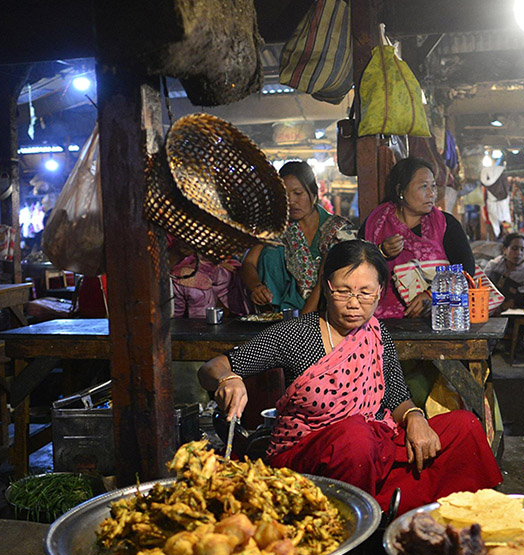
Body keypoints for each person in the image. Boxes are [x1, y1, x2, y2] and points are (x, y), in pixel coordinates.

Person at [198, 240, 503, 513]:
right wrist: (227, 379)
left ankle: (407, 508)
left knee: (464, 426)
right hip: (312, 456)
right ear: (326, 286)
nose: (354, 302)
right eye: (343, 291)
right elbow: (212, 368)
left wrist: (415, 418)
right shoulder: (296, 334)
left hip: (373, 444)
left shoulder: (376, 331)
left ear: (380, 292)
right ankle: (364, 517)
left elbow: (395, 395)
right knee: (355, 437)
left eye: (365, 292)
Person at [363, 157, 475, 319]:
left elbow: (466, 271)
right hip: (384, 323)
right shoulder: (376, 224)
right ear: (401, 190)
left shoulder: (446, 225)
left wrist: (432, 295)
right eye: (424, 187)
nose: (432, 194)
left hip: (438, 320)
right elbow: (356, 267)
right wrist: (381, 252)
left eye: (433, 187)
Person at [240, 161, 358, 314]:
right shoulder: (279, 227)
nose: (291, 201)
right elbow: (249, 263)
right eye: (285, 195)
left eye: (298, 193)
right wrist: (256, 287)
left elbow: (325, 281)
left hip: (328, 309)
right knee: (270, 253)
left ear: (314, 194)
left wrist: (301, 323)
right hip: (284, 312)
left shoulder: (337, 230)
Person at [169, 238, 252, 319]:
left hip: (207, 269)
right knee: (196, 283)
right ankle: (201, 327)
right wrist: (177, 253)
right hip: (175, 274)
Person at [484, 232, 524, 309]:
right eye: (514, 248)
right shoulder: (494, 265)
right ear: (505, 249)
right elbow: (483, 286)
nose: (519, 253)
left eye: (522, 249)